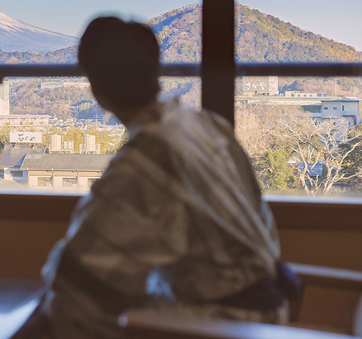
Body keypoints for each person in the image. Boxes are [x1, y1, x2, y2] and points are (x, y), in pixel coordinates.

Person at [35, 17, 296, 338]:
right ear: (154, 73)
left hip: (230, 321)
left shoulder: (146, 158)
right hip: (269, 307)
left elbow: (76, 279)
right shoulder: (204, 123)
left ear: (97, 90)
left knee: (65, 315)